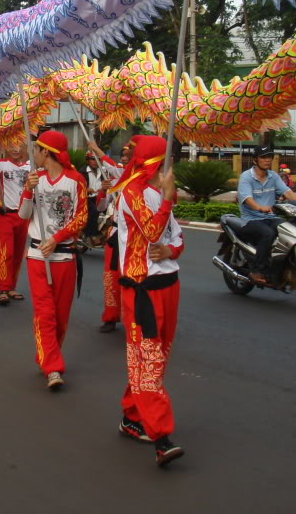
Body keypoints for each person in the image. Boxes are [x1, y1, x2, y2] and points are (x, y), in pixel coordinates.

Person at [111, 135, 185, 466]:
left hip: (169, 284)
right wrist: (168, 200)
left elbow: (174, 237)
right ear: (158, 162)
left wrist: (172, 251)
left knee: (154, 360)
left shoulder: (160, 193)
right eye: (170, 158)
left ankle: (131, 416)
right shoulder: (133, 192)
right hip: (142, 289)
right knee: (149, 362)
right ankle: (161, 436)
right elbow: (152, 232)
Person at [19, 130, 87, 389]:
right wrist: (27, 190)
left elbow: (81, 217)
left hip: (64, 257)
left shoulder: (75, 179)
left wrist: (57, 238)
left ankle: (47, 355)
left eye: (35, 149)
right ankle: (53, 368)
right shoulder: (35, 180)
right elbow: (24, 215)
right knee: (45, 314)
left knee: (60, 316)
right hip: (37, 256)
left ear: (46, 151)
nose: (33, 154)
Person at [237, 144, 296, 284]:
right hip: (251, 219)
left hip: (271, 217)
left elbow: (288, 193)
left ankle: (282, 265)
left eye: (269, 157)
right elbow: (247, 199)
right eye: (263, 157)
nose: (267, 160)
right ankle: (256, 270)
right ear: (255, 160)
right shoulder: (246, 177)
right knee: (268, 234)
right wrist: (259, 207)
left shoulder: (273, 176)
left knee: (291, 229)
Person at [0, 143, 31, 305]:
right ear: (6, 148)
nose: (16, 148)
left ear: (24, 148)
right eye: (12, 146)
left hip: (24, 216)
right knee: (6, 252)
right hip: (5, 215)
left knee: (17, 254)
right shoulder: (0, 164)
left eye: (19, 145)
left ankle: (11, 287)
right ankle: (3, 288)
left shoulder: (31, 167)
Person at [89, 140, 129, 332]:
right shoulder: (115, 177)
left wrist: (97, 149)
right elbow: (101, 207)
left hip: (134, 239)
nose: (124, 159)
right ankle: (111, 317)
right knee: (111, 279)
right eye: (123, 155)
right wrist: (104, 190)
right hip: (115, 236)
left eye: (129, 156)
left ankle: (134, 319)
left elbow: (112, 166)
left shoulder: (139, 178)